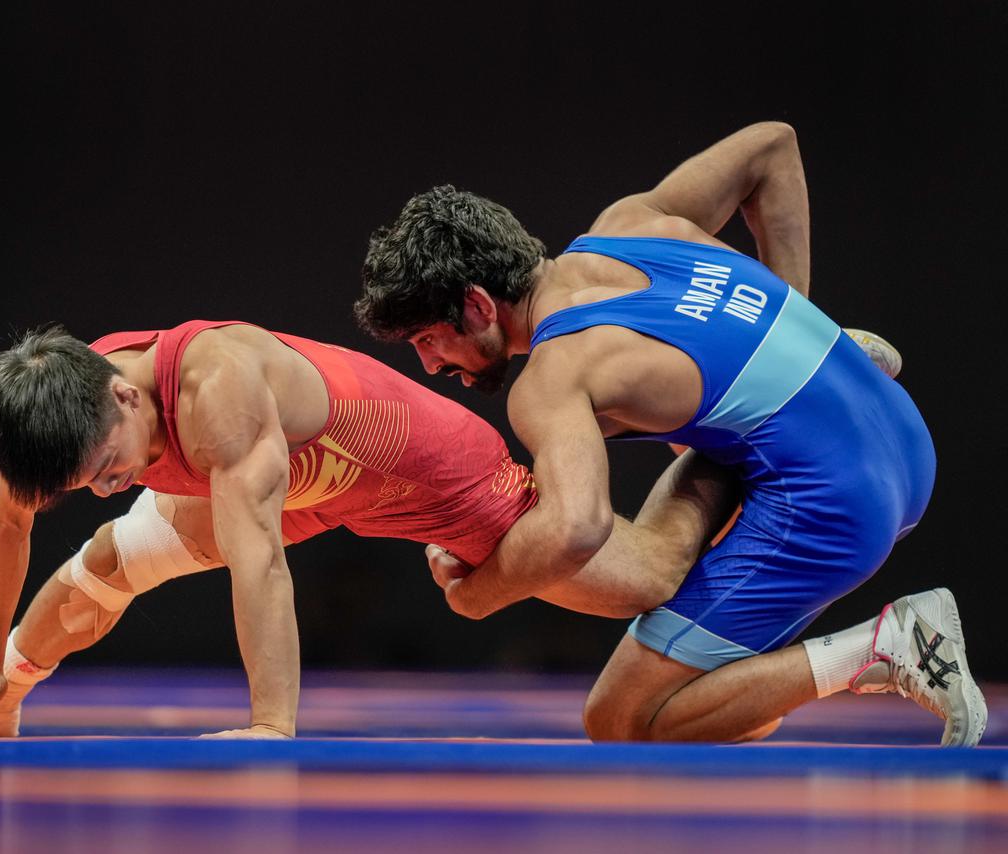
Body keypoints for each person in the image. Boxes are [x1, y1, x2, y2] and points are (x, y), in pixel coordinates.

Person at [355, 122, 986, 746]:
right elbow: (772, 146)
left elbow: (577, 529)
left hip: (832, 504)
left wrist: (474, 596)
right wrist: (800, 320)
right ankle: (827, 341)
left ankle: (885, 644)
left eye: (427, 340)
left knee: (623, 721)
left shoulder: (554, 376)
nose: (432, 366)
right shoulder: (631, 224)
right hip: (902, 435)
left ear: (478, 306)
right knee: (723, 707)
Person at [0, 320, 737, 739]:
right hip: (300, 487)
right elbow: (2, 518)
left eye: (109, 467)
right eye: (91, 480)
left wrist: (269, 725)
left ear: (128, 395)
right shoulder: (61, 409)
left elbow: (263, 568)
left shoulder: (217, 394)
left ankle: (735, 434)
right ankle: (1, 703)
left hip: (425, 473)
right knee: (103, 567)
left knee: (649, 579)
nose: (107, 487)